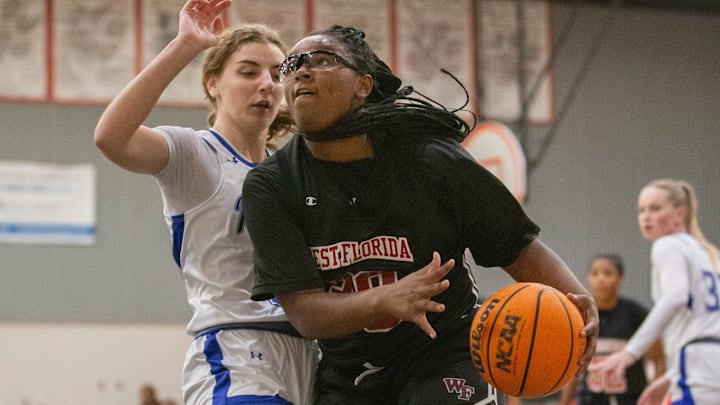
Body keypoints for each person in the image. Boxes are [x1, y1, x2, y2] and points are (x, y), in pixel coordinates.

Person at [241, 24, 599, 405]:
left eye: (322, 60)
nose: (301, 71)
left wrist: (576, 298)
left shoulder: (431, 159)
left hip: (445, 350)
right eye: (293, 65)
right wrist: (386, 298)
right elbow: (305, 314)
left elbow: (516, 246)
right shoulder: (272, 185)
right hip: (350, 371)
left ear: (363, 85)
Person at [94, 1, 317, 404]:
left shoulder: (294, 171)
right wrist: (185, 45)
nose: (266, 83)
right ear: (213, 83)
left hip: (309, 354)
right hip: (237, 353)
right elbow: (111, 138)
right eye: (249, 72)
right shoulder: (195, 153)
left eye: (275, 73)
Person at [590, 179, 720, 405]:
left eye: (655, 208)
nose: (646, 216)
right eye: (641, 210)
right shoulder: (706, 253)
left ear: (680, 214)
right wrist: (670, 377)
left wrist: (630, 352)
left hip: (695, 361)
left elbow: (675, 297)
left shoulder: (667, 245)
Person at [558, 254, 665, 405]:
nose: (600, 279)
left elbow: (658, 359)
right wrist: (564, 402)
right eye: (595, 273)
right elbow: (573, 368)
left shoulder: (636, 314)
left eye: (607, 273)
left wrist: (656, 398)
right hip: (589, 399)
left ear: (620, 278)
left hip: (631, 399)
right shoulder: (579, 315)